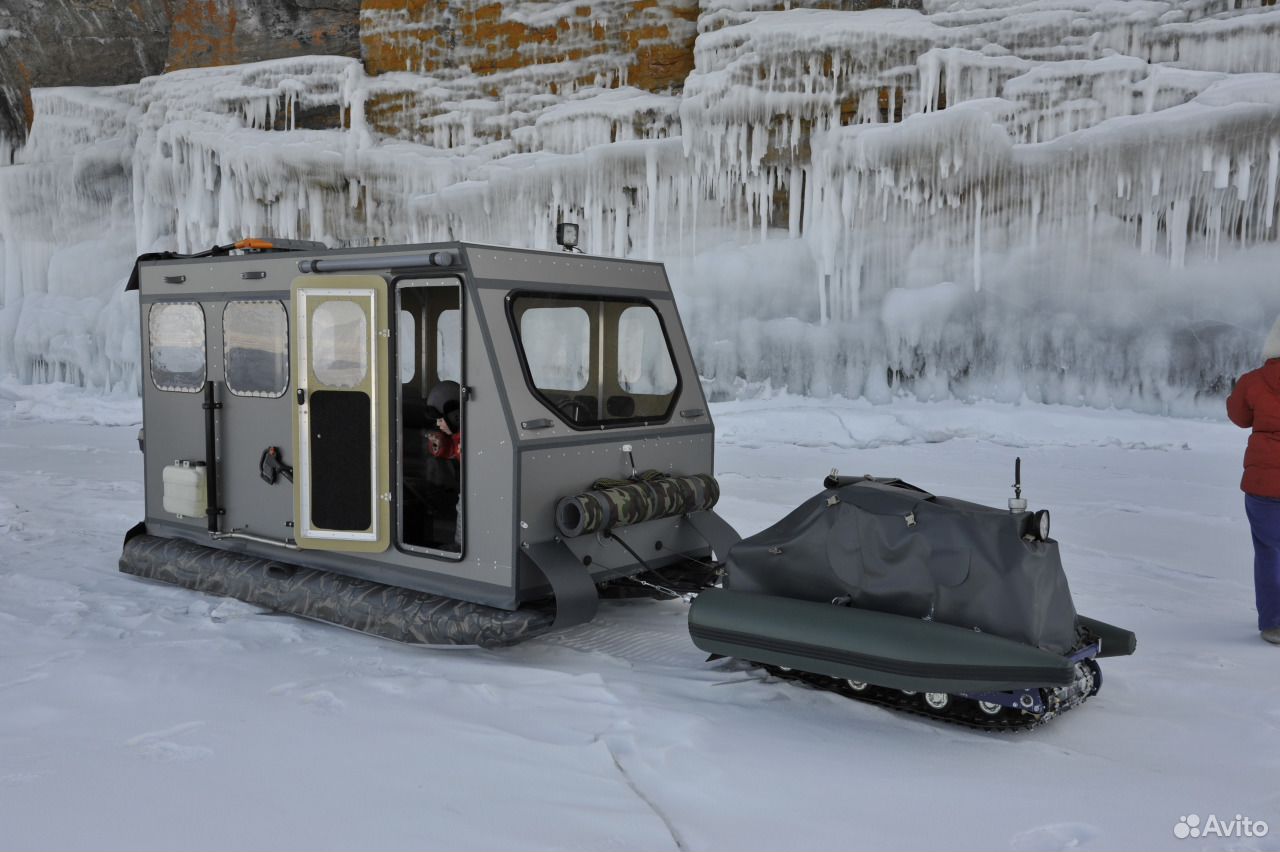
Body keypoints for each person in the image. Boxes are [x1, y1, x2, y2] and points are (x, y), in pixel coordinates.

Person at [1226, 316, 1280, 645]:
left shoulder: (1253, 381)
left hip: (1262, 485)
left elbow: (1239, 417)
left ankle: (1274, 624)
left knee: (1269, 551)